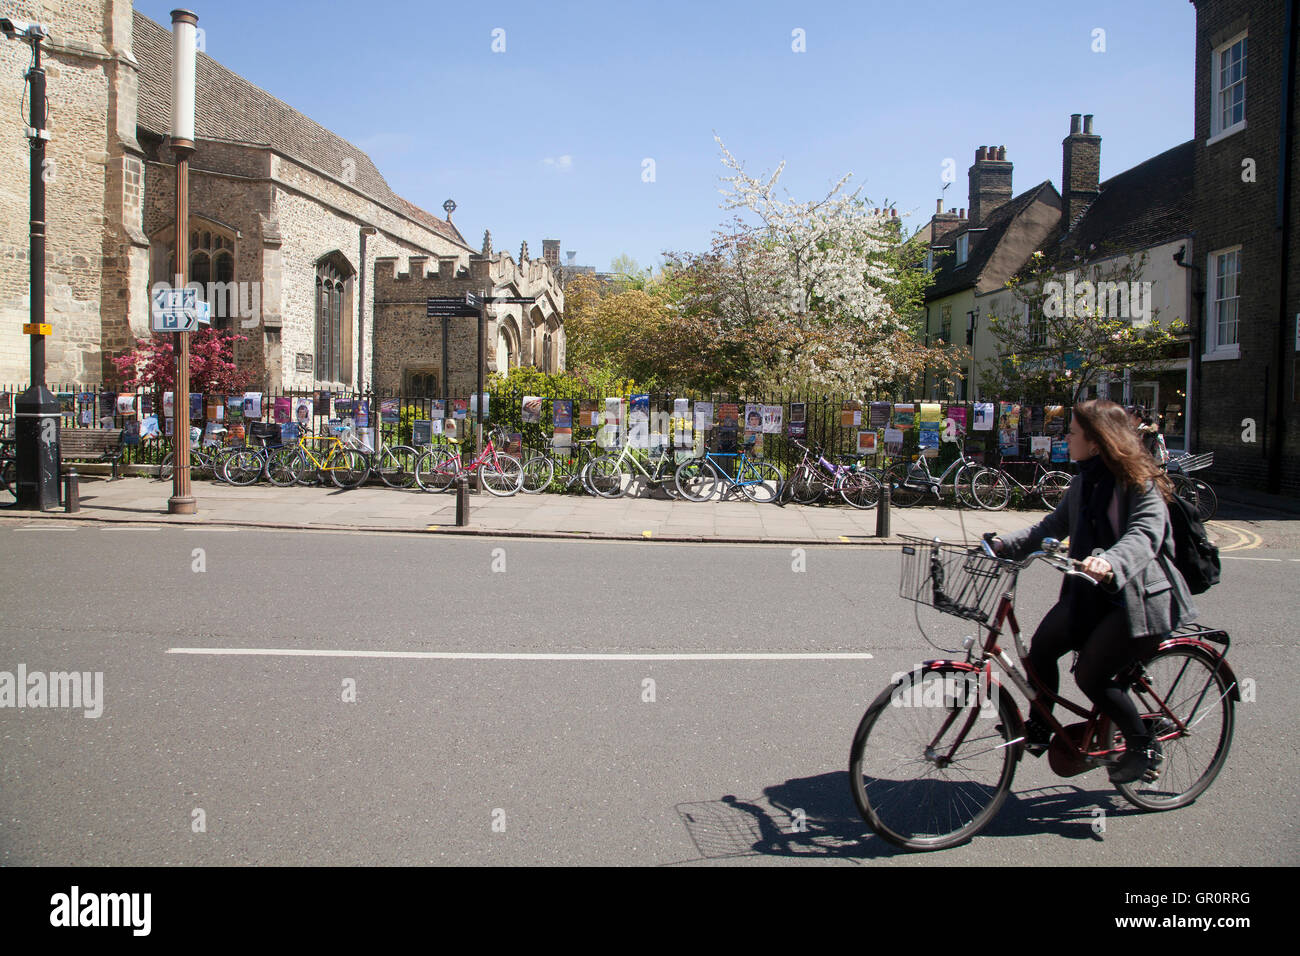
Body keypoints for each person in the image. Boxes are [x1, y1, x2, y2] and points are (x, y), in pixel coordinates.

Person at [990, 399, 1197, 784]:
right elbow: (1050, 527)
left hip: (1139, 599)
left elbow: (1145, 535)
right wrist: (1004, 544)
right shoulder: (1084, 480)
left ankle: (1142, 746)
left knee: (1092, 676)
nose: (1065, 438)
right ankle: (1040, 726)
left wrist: (1111, 562)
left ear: (1097, 442)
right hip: (1092, 595)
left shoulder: (1140, 483)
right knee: (1042, 649)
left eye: (1071, 432)